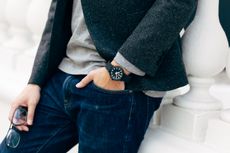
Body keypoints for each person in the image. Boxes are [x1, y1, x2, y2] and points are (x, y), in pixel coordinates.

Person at [0, 0, 197, 152]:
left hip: (117, 86)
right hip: (61, 76)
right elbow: (58, 11)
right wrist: (35, 81)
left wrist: (117, 70)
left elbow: (178, 2)